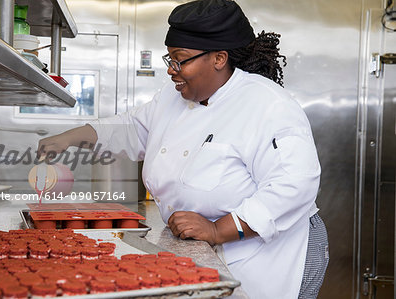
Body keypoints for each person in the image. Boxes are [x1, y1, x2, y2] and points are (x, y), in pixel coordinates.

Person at [37, 0, 329, 298]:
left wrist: (218, 230)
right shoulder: (173, 97)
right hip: (203, 248)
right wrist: (72, 137)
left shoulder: (267, 104)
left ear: (218, 58)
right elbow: (134, 128)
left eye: (181, 60)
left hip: (265, 255)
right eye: (170, 59)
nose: (171, 71)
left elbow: (295, 185)